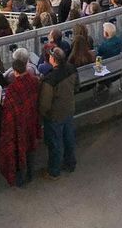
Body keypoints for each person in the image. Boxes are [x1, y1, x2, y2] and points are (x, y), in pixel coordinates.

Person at [0, 51, 42, 186]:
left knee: (20, 151)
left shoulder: (12, 89)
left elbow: (8, 112)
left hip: (18, 125)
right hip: (32, 120)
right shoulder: (35, 81)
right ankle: (30, 175)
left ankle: (21, 179)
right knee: (31, 148)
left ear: (15, 72)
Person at [39, 47, 76, 178]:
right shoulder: (71, 68)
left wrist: (43, 114)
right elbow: (77, 85)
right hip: (69, 109)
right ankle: (70, 164)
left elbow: (45, 103)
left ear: (53, 60)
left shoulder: (50, 79)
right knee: (69, 138)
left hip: (55, 116)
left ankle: (54, 171)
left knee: (55, 143)